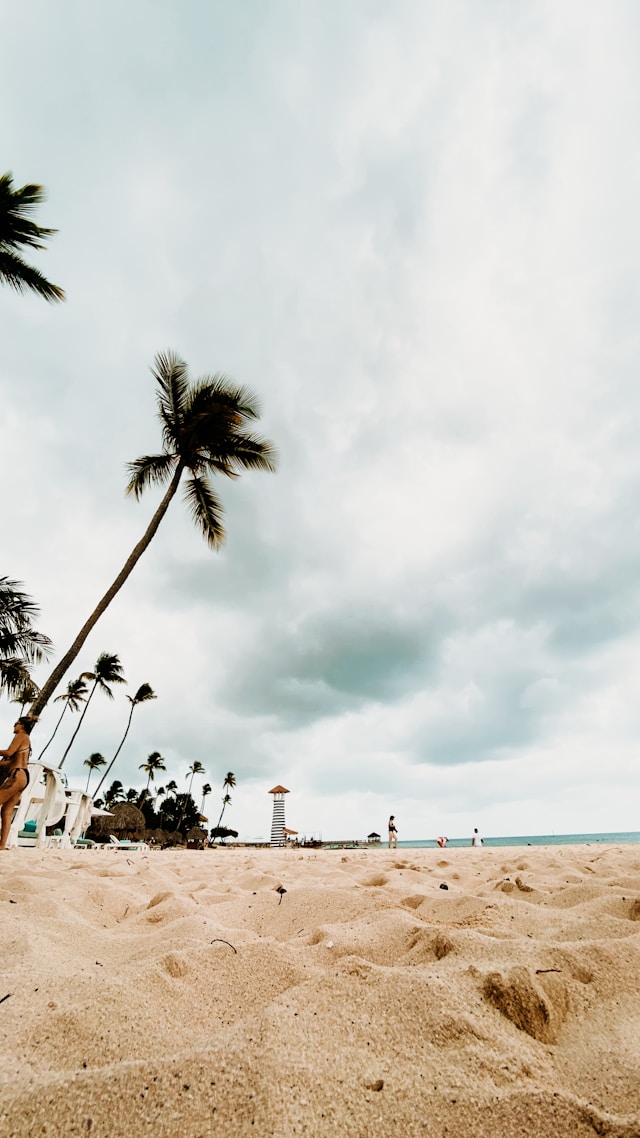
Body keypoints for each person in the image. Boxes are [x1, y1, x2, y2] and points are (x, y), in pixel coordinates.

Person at [0, 718, 33, 850]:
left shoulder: (21, 735)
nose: (14, 725)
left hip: (16, 775)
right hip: (23, 776)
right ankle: (2, 845)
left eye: (16, 723)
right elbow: (10, 761)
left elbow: (9, 753)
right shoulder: (26, 740)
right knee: (6, 811)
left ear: (22, 726)